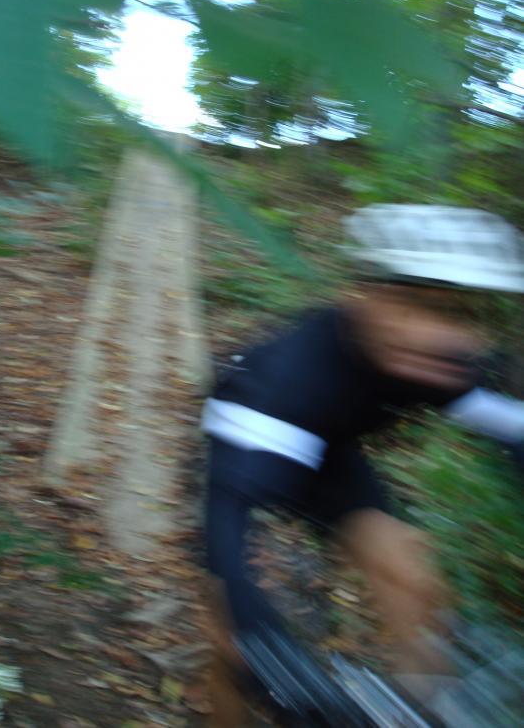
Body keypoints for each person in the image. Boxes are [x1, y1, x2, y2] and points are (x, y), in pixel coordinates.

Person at [201, 204, 524, 727]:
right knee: (234, 637)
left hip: (332, 448)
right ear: (364, 297)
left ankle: (421, 708)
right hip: (256, 442)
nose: (445, 334)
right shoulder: (285, 383)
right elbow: (229, 534)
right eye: (416, 303)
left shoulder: (440, 360)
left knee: (413, 578)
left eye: (465, 312)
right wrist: (278, 669)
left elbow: (515, 431)